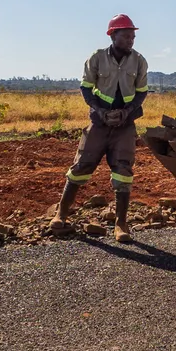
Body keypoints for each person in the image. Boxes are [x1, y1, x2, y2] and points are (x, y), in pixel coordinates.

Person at [57, 14, 148, 242]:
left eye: (133, 36)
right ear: (113, 35)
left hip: (125, 125)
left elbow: (142, 92)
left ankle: (121, 225)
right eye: (126, 36)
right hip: (99, 122)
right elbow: (86, 88)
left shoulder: (139, 61)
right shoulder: (97, 58)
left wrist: (127, 112)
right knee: (81, 166)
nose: (131, 40)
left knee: (123, 172)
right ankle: (61, 214)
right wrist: (100, 111)